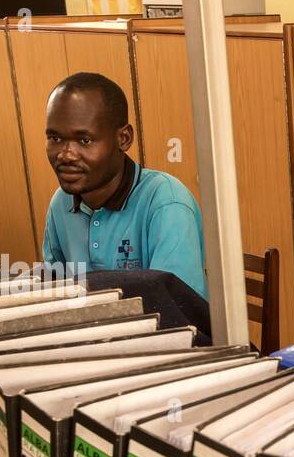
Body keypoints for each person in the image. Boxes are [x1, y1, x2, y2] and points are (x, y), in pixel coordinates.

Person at [41, 72, 207, 299]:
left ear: (124, 139)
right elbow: (54, 293)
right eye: (55, 138)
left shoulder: (167, 203)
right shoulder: (61, 203)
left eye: (84, 140)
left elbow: (176, 309)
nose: (66, 155)